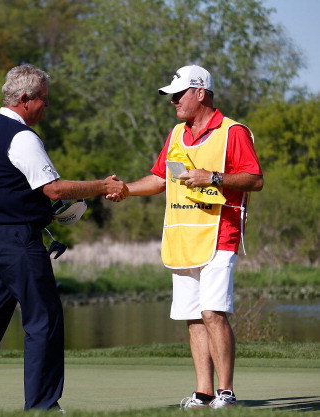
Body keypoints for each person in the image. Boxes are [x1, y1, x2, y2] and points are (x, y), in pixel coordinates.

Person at [0, 64, 129, 412]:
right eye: (44, 100)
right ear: (24, 99)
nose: (47, 106)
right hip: (16, 242)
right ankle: (43, 406)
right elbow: (54, 188)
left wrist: (40, 211)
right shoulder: (21, 136)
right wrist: (102, 186)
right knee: (43, 318)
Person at [125, 65, 263, 409]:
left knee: (213, 312)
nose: (173, 101)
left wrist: (213, 177)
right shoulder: (175, 134)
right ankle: (203, 393)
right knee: (193, 316)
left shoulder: (233, 131)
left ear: (200, 93)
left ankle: (226, 392)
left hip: (220, 233)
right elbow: (159, 179)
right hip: (182, 238)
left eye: (179, 94)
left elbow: (254, 179)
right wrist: (124, 189)